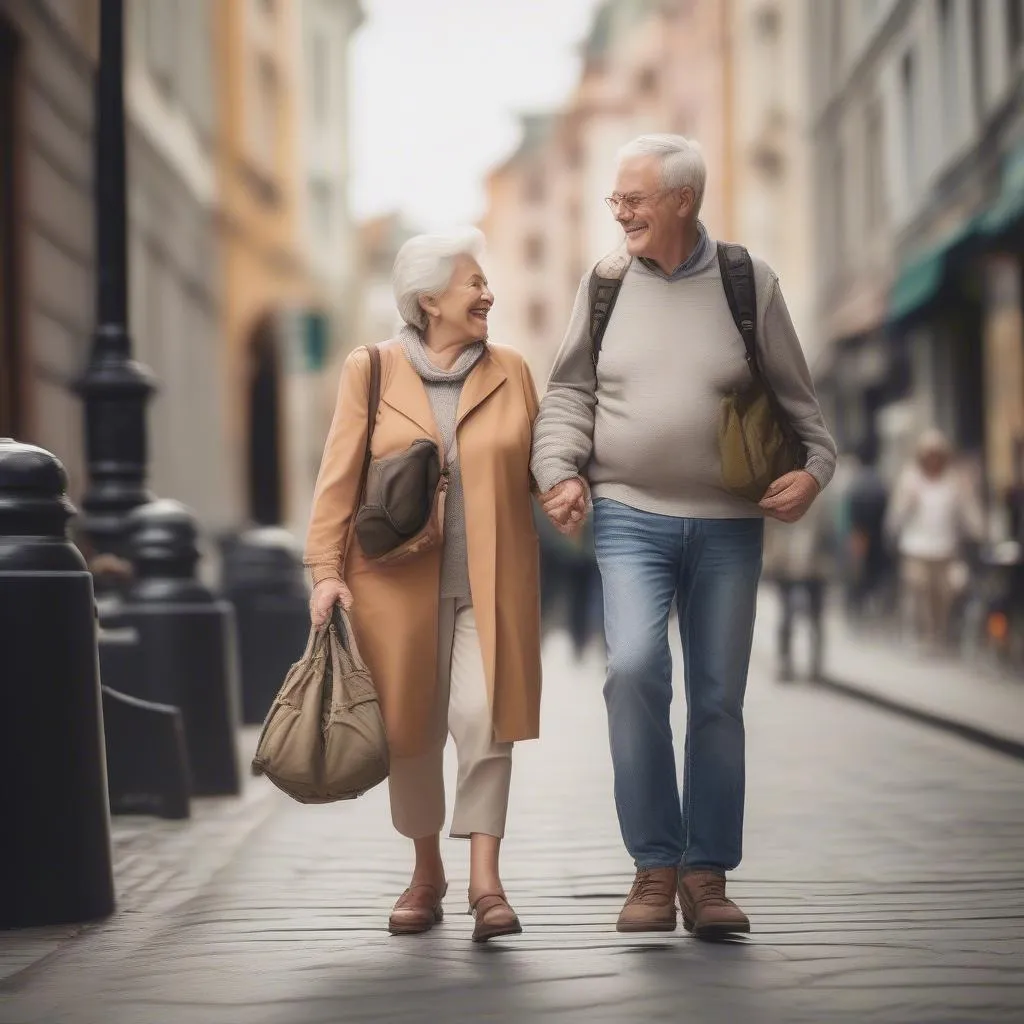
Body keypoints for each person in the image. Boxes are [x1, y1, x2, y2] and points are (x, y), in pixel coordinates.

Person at [531, 134, 836, 939]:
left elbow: (806, 416)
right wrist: (559, 469)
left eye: (635, 198)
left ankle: (706, 875)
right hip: (629, 513)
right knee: (632, 671)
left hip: (731, 524)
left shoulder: (747, 282)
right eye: (616, 199)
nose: (621, 212)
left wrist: (815, 472)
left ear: (683, 202)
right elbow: (567, 394)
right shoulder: (602, 286)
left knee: (715, 700)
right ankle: (653, 868)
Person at [303, 228, 542, 943]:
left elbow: (543, 463)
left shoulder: (511, 370)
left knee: (483, 717)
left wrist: (566, 488)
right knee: (411, 731)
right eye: (474, 282)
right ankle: (425, 870)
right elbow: (337, 482)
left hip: (491, 584)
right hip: (394, 586)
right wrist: (323, 573)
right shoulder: (370, 370)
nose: (488, 293)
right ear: (429, 299)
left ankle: (485, 882)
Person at [886, 429, 983, 650]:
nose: (933, 459)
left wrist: (979, 532)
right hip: (916, 548)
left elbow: (968, 511)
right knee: (919, 590)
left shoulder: (954, 480)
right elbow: (896, 513)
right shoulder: (911, 479)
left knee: (944, 594)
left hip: (944, 548)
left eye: (937, 454)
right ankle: (921, 635)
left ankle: (938, 635)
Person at [762, 489, 837, 682]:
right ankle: (787, 664)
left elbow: (830, 528)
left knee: (814, 617)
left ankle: (815, 666)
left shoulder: (821, 489)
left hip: (815, 565)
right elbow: (770, 527)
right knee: (788, 615)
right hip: (786, 562)